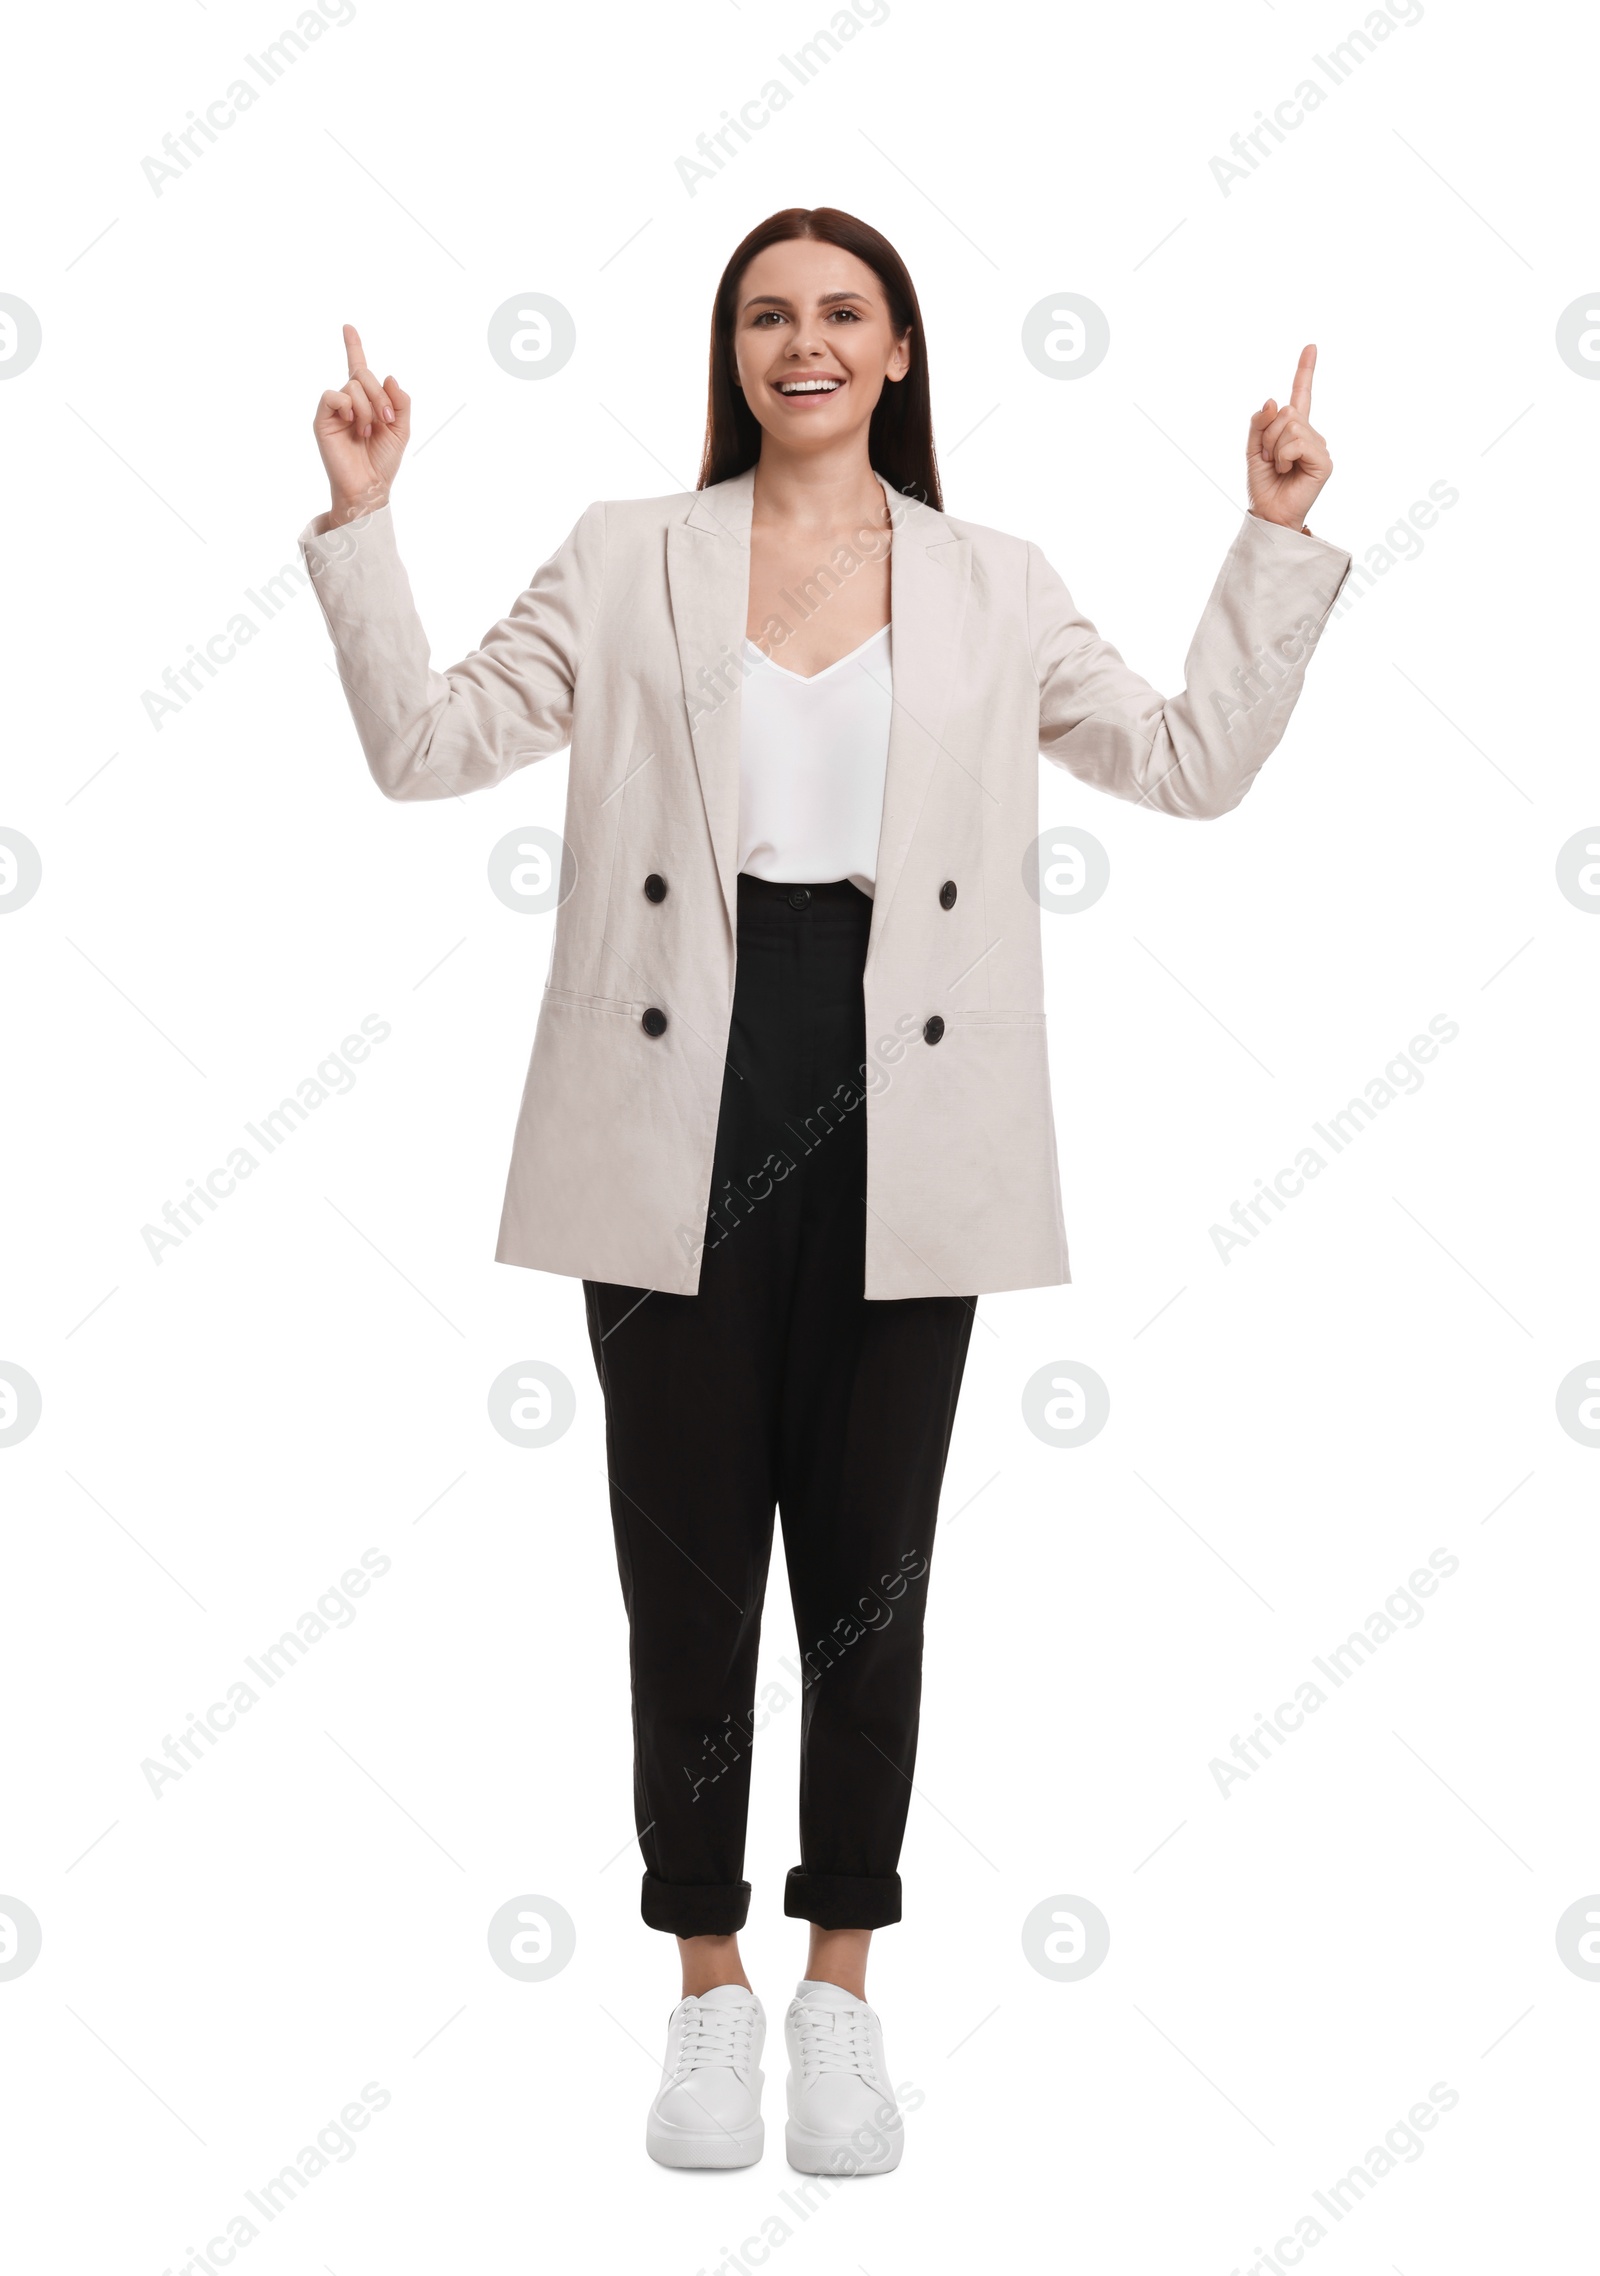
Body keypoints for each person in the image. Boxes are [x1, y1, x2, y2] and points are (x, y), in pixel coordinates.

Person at [300, 205, 1349, 2177]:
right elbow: (419, 749)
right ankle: (704, 1984)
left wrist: (1268, 542)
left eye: (840, 313)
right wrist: (364, 521)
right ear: (731, 351)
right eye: (767, 312)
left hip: (907, 1093)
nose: (802, 339)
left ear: (896, 357)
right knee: (686, 1574)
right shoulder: (628, 559)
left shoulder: (990, 581)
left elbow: (1188, 761)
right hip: (669, 1089)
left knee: (867, 1569)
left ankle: (841, 1985)